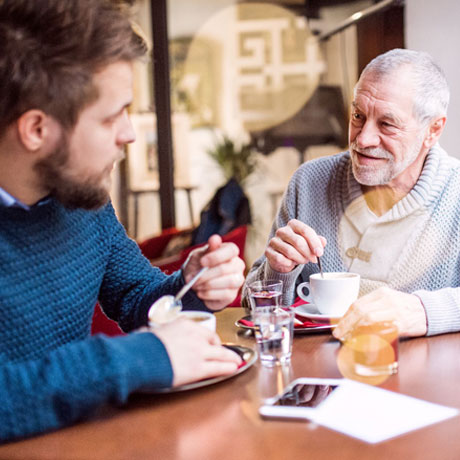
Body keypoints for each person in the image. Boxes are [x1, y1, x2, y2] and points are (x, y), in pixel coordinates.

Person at [0, 0, 245, 442]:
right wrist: (135, 360)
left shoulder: (83, 199)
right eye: (113, 116)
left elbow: (138, 298)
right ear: (36, 129)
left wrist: (189, 287)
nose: (131, 134)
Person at [245, 48, 460, 340]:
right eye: (358, 115)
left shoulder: (455, 192)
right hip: (319, 378)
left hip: (421, 379)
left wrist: (420, 311)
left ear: (433, 130)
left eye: (387, 124)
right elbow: (252, 303)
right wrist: (277, 270)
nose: (362, 139)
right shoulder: (309, 182)